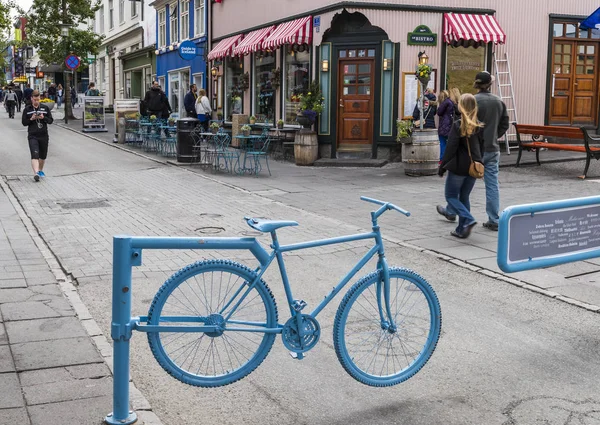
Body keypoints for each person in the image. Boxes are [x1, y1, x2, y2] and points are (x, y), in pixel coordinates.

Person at [437, 93, 484, 239]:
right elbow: (482, 147)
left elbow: (450, 148)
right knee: (464, 197)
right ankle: (461, 229)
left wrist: (442, 166)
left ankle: (468, 219)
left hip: (458, 167)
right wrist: (480, 162)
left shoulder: (458, 125)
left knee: (451, 196)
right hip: (474, 167)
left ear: (461, 106)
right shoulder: (479, 125)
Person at [474, 71, 509, 231]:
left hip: (474, 149)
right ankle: (494, 219)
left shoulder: (473, 101)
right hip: (492, 148)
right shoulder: (498, 102)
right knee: (492, 185)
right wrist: (495, 136)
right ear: (490, 84)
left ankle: (455, 211)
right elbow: (504, 125)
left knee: (462, 182)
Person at [22, 90, 54, 182]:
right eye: (35, 100)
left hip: (43, 135)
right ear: (31, 99)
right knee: (35, 154)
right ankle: (36, 173)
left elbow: (51, 121)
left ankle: (40, 170)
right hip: (32, 135)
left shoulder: (45, 108)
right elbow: (24, 123)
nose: (36, 101)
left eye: (38, 99)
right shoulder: (27, 109)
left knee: (42, 155)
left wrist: (43, 118)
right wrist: (31, 119)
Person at [436, 90, 455, 160]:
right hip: (450, 124)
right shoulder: (451, 102)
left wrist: (439, 105)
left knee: (442, 142)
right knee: (448, 143)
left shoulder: (445, 102)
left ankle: (442, 159)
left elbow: (439, 112)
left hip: (444, 125)